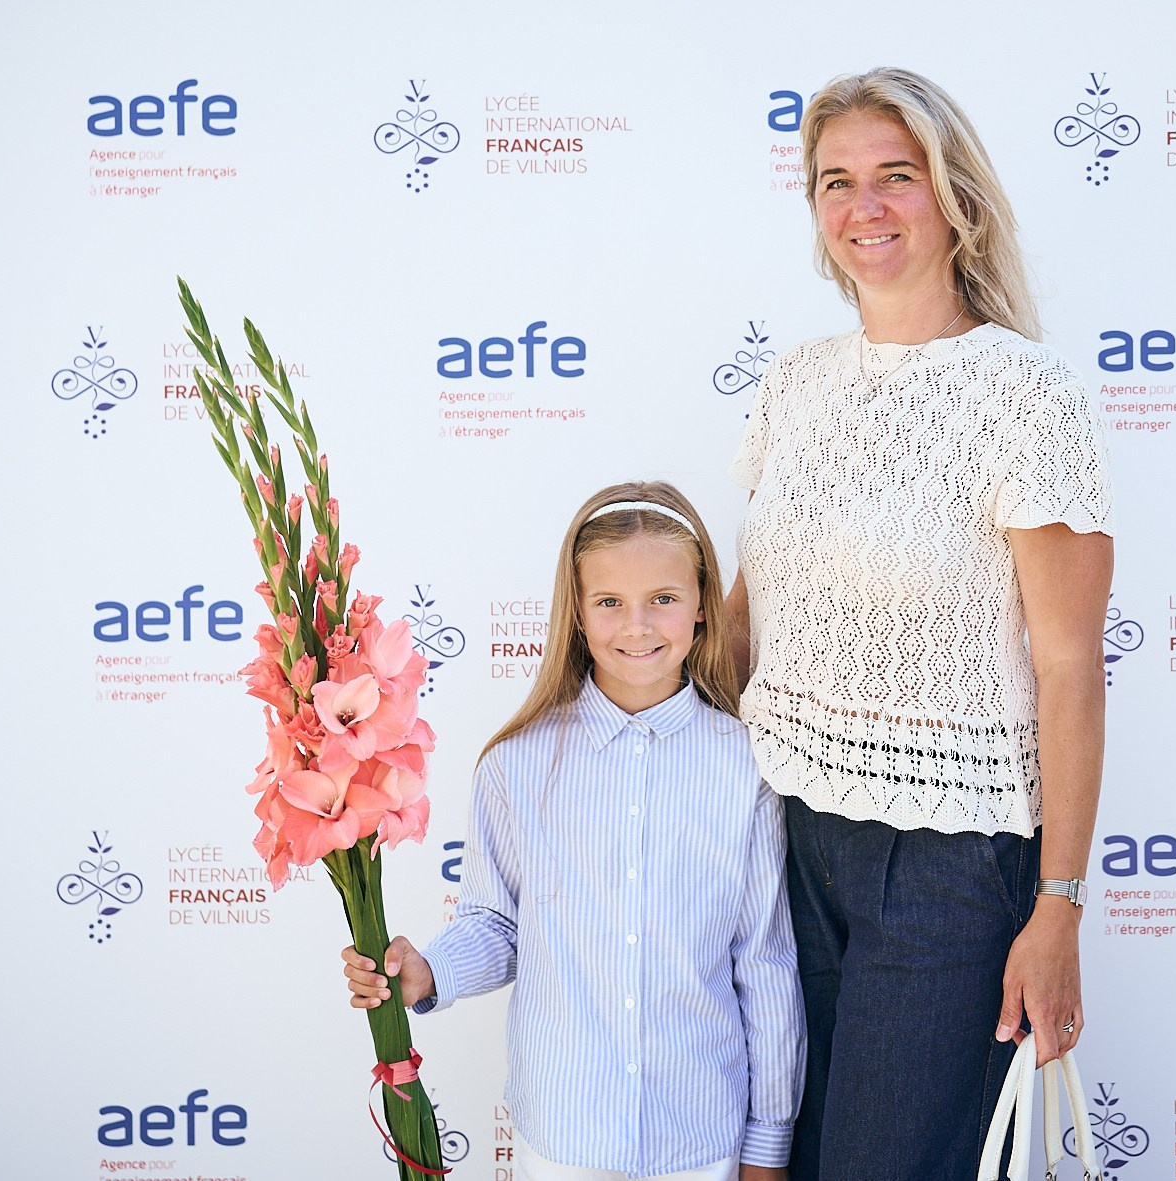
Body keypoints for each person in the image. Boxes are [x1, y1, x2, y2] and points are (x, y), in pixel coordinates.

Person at [725, 67, 1115, 1181]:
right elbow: (752, 621)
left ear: (955, 198)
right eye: (834, 181)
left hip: (949, 868)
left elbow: (1069, 671)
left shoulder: (1027, 398)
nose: (864, 206)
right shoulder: (791, 385)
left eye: (896, 176)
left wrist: (1057, 910)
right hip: (785, 840)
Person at [341, 481, 804, 1181]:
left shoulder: (746, 768)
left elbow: (764, 966)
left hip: (700, 1138)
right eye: (610, 601)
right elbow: (496, 924)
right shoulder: (517, 765)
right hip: (563, 1137)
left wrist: (767, 1146)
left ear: (703, 605)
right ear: (579, 615)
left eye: (664, 599)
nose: (638, 625)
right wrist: (430, 969)